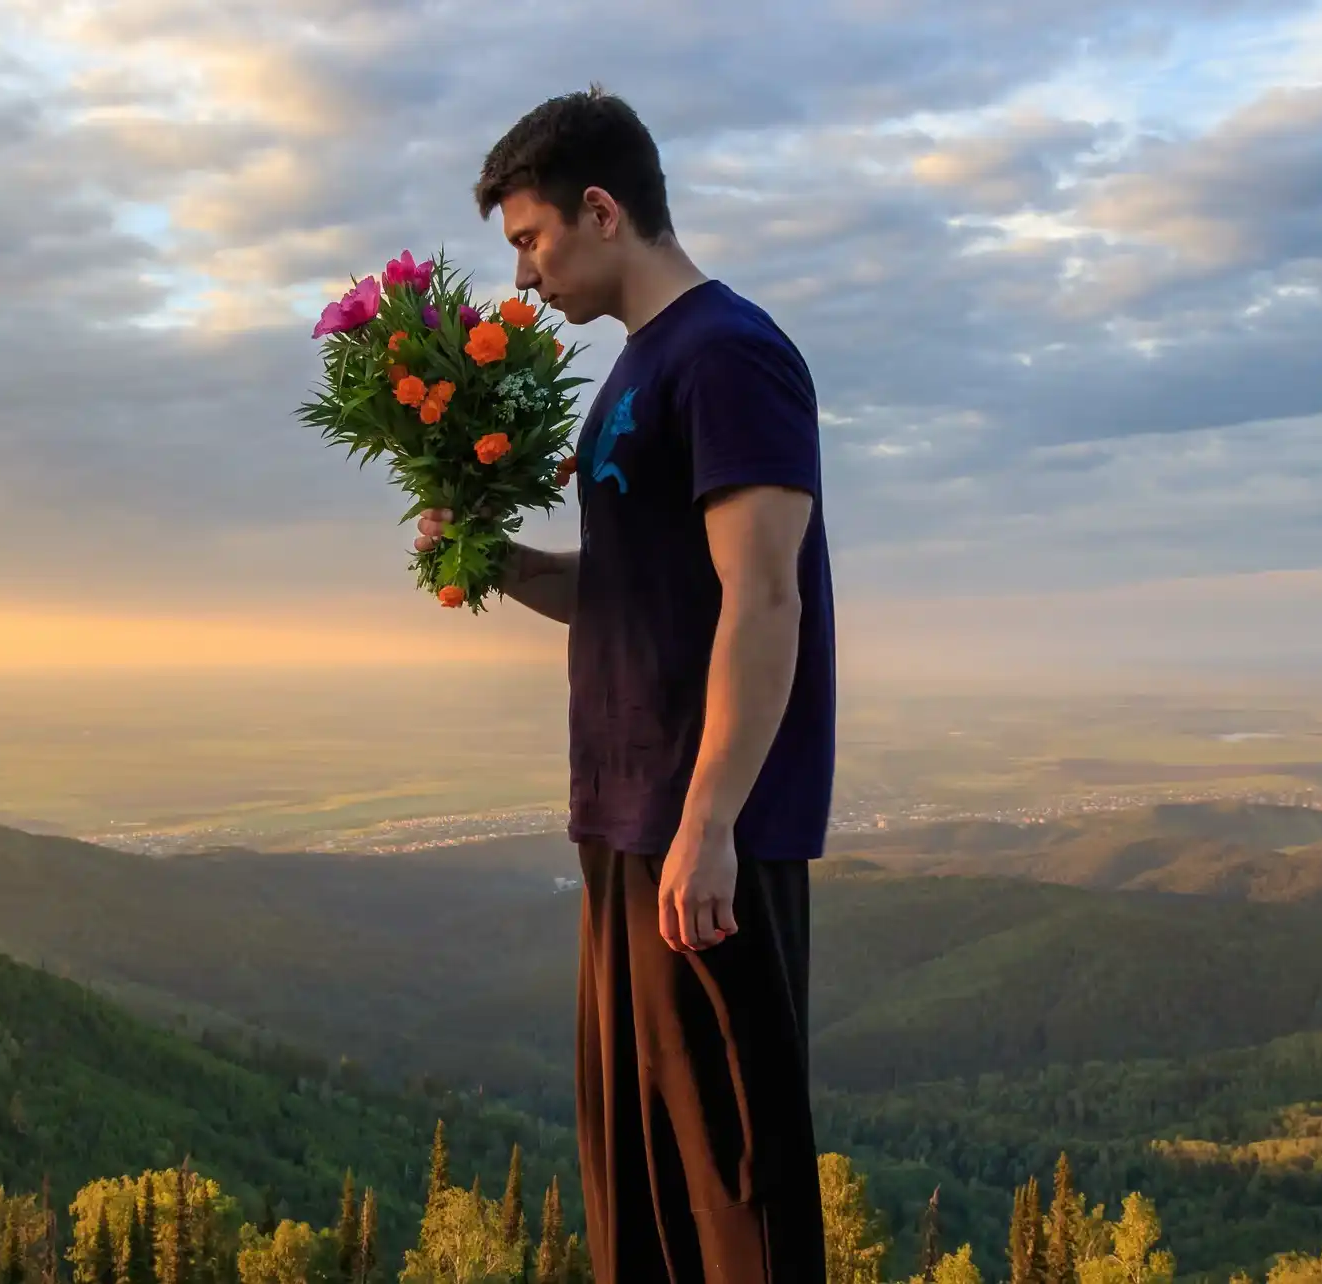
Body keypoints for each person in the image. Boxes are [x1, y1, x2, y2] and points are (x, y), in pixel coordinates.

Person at [413, 87, 836, 1283]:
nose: (523, 275)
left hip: (702, 836)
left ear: (601, 211)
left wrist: (711, 823)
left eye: (530, 239)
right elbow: (630, 590)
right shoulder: (640, 372)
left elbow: (765, 597)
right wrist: (495, 562)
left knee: (734, 1192)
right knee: (645, 1186)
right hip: (630, 823)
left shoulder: (729, 355)